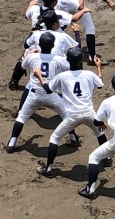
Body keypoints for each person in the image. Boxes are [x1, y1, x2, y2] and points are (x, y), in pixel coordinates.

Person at [35, 47, 108, 177]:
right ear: (81, 60)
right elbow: (101, 84)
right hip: (89, 113)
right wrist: (98, 67)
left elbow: (48, 89)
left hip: (72, 116)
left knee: (55, 138)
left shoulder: (62, 76)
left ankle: (48, 169)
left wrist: (40, 76)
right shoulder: (89, 74)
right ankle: (107, 158)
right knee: (100, 133)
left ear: (67, 60)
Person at [4, 32, 70, 153]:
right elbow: (70, 67)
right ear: (52, 45)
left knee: (21, 117)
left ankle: (12, 142)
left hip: (33, 95)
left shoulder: (32, 57)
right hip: (52, 95)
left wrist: (29, 54)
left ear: (39, 44)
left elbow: (23, 67)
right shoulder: (59, 59)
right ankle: (74, 138)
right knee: (67, 116)